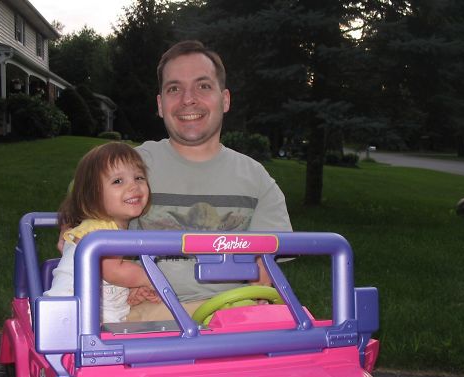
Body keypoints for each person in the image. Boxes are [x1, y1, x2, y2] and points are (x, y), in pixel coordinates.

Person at [60, 40, 292, 321]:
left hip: (229, 314)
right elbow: (80, 199)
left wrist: (258, 288)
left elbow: (266, 272)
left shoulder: (257, 180)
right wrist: (71, 230)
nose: (188, 99)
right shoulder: (131, 167)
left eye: (203, 86)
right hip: (148, 313)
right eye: (174, 89)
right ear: (160, 104)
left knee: (293, 327)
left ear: (225, 99)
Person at [45, 142, 156, 323]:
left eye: (139, 178)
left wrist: (130, 293)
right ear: (92, 195)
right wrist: (149, 278)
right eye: (118, 181)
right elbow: (112, 271)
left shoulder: (111, 229)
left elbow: (109, 279)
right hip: (69, 320)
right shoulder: (99, 230)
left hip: (90, 320)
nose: (134, 186)